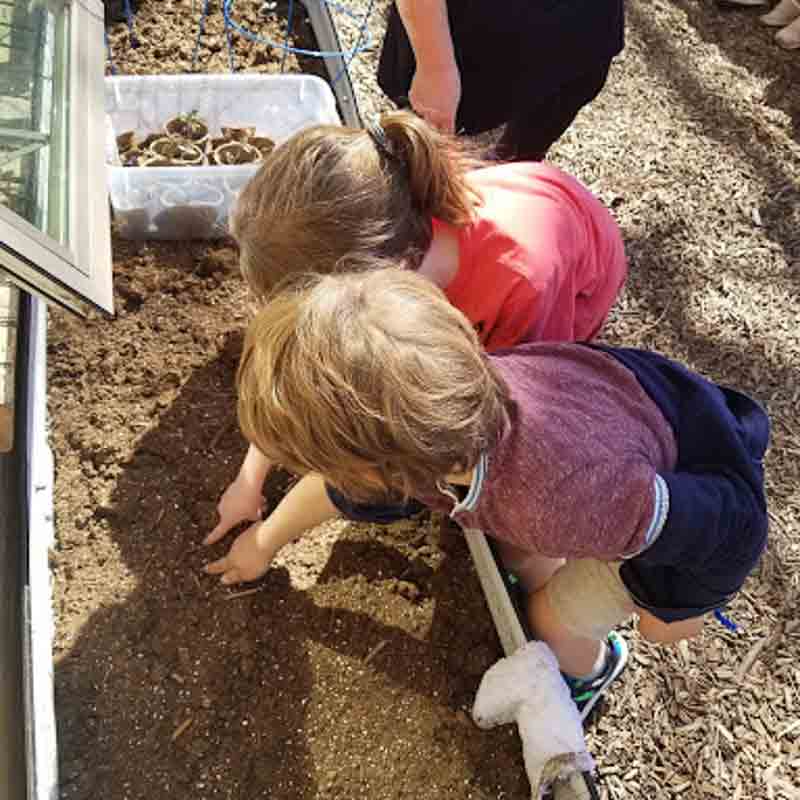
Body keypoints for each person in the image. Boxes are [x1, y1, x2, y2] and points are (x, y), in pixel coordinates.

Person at [205, 269, 770, 719]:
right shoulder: (441, 395)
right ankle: (551, 566)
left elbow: (734, 525)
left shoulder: (567, 495)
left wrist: (677, 607)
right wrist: (264, 541)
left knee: (548, 621)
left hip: (688, 503)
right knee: (523, 549)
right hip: (627, 415)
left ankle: (595, 669)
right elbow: (336, 491)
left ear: (381, 473)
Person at [211, 111, 628, 546]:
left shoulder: (522, 285)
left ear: (377, 282)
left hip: (568, 288)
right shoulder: (393, 220)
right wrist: (249, 479)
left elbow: (509, 406)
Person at [377, 0, 626, 161]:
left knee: (527, 146)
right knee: (420, 142)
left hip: (583, 26)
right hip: (469, 29)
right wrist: (435, 65)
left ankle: (507, 162)